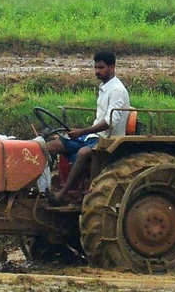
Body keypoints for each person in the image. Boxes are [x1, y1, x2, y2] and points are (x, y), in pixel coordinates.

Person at [47, 51, 130, 203]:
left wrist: (82, 131)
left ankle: (64, 193)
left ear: (112, 67)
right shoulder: (104, 87)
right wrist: (81, 133)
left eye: (101, 68)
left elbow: (109, 122)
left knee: (83, 153)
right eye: (96, 68)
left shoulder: (117, 90)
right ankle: (44, 186)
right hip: (93, 137)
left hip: (108, 139)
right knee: (53, 144)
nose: (97, 71)